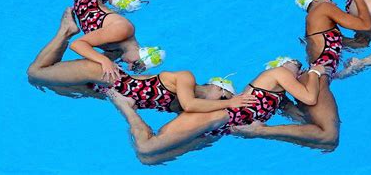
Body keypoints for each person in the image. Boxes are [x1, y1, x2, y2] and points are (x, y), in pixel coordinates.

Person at [27, 8, 257, 112]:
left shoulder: (182, 104)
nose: (222, 99)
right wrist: (229, 103)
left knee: (48, 84)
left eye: (224, 98)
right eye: (223, 95)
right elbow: (190, 104)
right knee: (35, 73)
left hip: (105, 88)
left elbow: (190, 109)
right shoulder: (187, 79)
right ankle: (66, 31)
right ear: (217, 87)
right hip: (106, 75)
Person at [109, 56, 326, 165]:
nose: (300, 67)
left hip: (222, 129)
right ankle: (126, 107)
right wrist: (316, 72)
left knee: (150, 160)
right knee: (147, 149)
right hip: (217, 116)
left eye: (301, 67)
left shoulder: (279, 98)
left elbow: (304, 117)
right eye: (296, 64)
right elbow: (309, 96)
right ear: (283, 64)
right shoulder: (278, 72)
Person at [232, 0, 371, 149]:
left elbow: (362, 42)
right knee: (328, 135)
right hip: (317, 78)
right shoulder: (322, 8)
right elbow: (365, 25)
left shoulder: (326, 30)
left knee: (327, 144)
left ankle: (274, 118)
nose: (334, 3)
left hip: (316, 80)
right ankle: (261, 131)